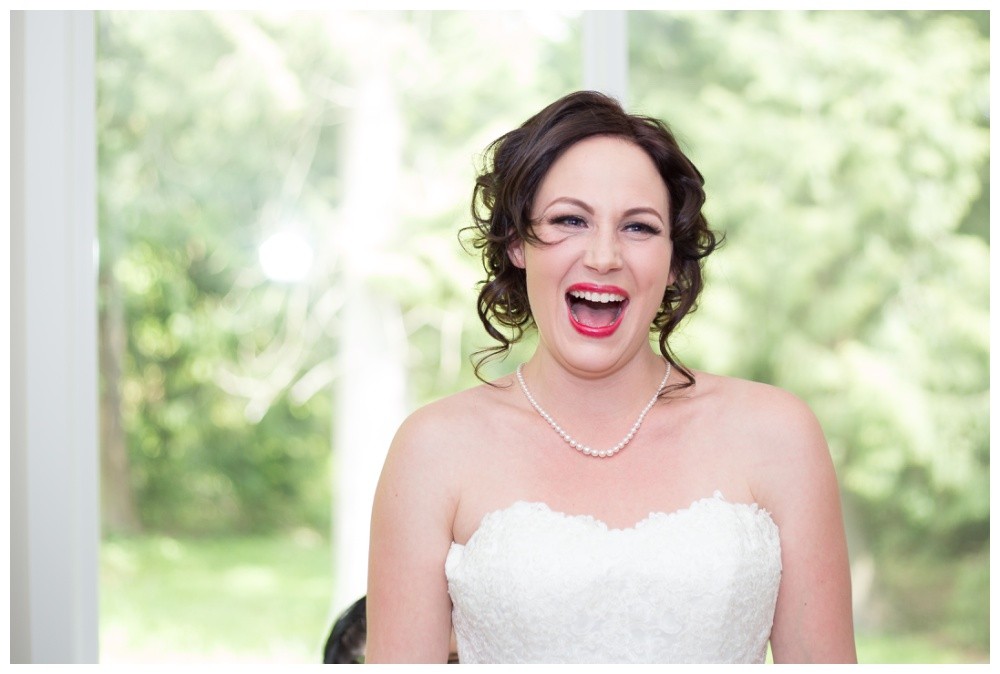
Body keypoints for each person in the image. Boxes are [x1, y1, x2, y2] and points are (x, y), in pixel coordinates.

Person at [365, 90, 856, 663]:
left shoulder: (778, 435)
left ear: (674, 262)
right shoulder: (431, 449)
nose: (603, 256)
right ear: (519, 243)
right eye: (570, 220)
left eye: (639, 228)